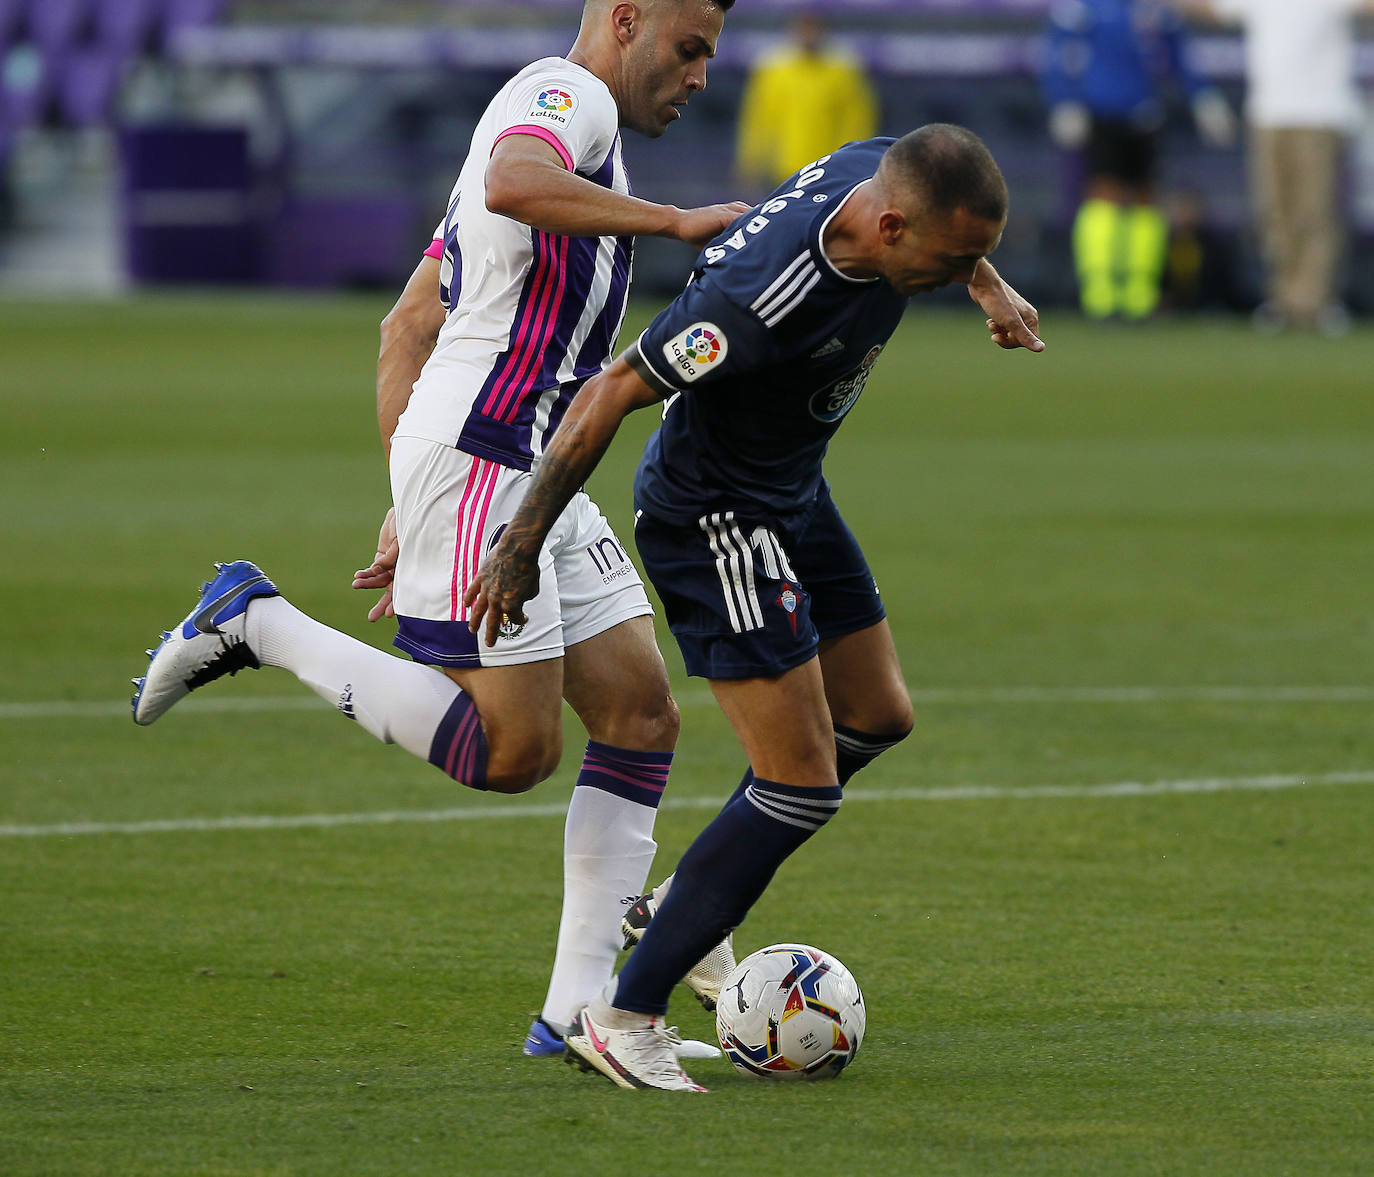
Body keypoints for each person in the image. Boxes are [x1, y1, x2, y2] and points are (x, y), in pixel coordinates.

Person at [132, 0, 750, 1062]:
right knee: (514, 749)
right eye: (689, 49)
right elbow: (516, 178)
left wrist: (404, 484)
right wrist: (675, 224)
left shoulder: (567, 142)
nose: (698, 77)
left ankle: (577, 1014)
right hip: (492, 457)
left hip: (529, 465)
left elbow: (411, 319)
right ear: (628, 19)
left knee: (642, 717)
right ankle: (258, 620)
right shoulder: (565, 101)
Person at [465, 124, 1044, 1090]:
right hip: (715, 517)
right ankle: (623, 1012)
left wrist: (989, 283)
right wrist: (519, 546)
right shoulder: (759, 301)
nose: (958, 278)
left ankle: (677, 910)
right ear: (893, 228)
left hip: (791, 492)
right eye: (950, 263)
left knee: (878, 715)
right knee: (801, 783)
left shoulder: (881, 173)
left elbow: (912, 156)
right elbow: (610, 392)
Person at [1176, 0, 1374, 333]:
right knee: (1274, 212)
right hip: (1268, 114)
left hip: (1319, 114)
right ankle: (1283, 299)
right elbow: (1212, 10)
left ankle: (1315, 301)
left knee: (1314, 212)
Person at [1042, 0, 1235, 319]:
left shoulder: (1157, 9)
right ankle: (1100, 295)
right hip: (1102, 112)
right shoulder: (1083, 7)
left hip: (1146, 114)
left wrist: (1203, 97)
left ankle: (1140, 294)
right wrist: (1063, 100)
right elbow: (1057, 53)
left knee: (1146, 200)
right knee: (1104, 196)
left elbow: (1180, 57)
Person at [734, 11, 878, 196]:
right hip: (782, 169)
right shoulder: (773, 72)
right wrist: (750, 162)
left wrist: (852, 161)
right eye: (803, 29)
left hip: (828, 170)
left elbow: (856, 122)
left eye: (813, 29)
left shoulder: (843, 73)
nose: (808, 35)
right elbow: (758, 119)